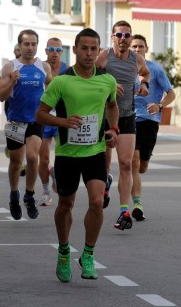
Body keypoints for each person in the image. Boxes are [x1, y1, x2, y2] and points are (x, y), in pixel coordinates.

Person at [35, 27, 119, 282]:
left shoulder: (107, 80)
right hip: (68, 154)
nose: (89, 54)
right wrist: (63, 122)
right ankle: (63, 251)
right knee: (65, 205)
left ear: (99, 51)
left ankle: (88, 254)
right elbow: (40, 114)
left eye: (94, 49)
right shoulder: (62, 81)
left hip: (95, 152)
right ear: (75, 50)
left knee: (96, 201)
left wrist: (114, 129)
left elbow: (112, 106)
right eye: (85, 48)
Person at [95, 20, 150, 231]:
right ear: (112, 37)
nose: (124, 39)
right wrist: (108, 83)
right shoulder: (103, 56)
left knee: (126, 164)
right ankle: (106, 184)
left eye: (127, 35)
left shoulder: (137, 59)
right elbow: (90, 76)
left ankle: (123, 211)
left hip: (127, 116)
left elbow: (145, 73)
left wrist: (144, 84)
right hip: (104, 116)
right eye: (119, 35)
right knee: (105, 164)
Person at [0, 29, 52, 220]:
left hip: (35, 120)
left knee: (32, 156)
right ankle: (14, 195)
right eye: (26, 44)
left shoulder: (43, 67)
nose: (30, 48)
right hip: (15, 121)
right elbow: (1, 97)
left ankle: (29, 195)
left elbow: (51, 90)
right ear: (19, 46)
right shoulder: (9, 67)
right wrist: (11, 82)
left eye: (33, 44)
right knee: (15, 162)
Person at [130, 34, 176, 221]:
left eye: (140, 46)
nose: (137, 50)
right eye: (134, 47)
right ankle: (137, 204)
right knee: (133, 160)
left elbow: (171, 93)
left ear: (146, 49)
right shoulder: (124, 69)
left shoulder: (155, 70)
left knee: (142, 166)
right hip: (130, 119)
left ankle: (141, 169)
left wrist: (160, 105)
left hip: (150, 121)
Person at [38, 38, 67, 206]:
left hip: (61, 116)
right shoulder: (39, 67)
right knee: (43, 158)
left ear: (62, 52)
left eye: (58, 49)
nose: (54, 52)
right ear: (46, 51)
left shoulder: (67, 69)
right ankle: (46, 191)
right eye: (51, 49)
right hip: (44, 116)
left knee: (63, 154)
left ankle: (56, 173)